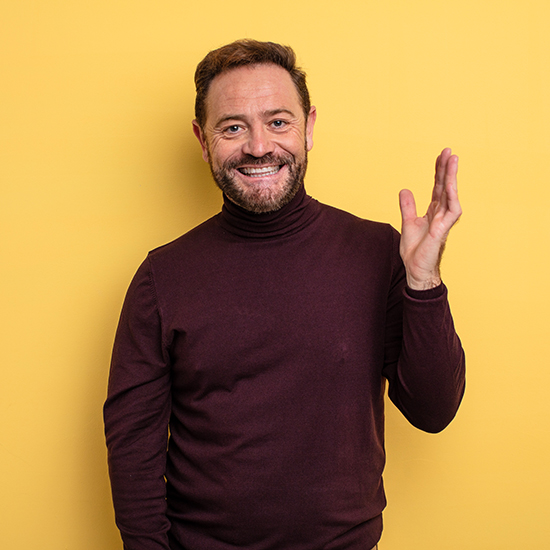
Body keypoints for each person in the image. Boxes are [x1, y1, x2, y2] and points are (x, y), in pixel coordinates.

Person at [104, 39, 465, 550]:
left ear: (309, 127)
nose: (257, 146)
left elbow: (434, 411)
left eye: (278, 122)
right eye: (233, 127)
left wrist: (423, 282)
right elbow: (132, 451)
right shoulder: (162, 277)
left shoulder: (377, 252)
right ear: (202, 140)